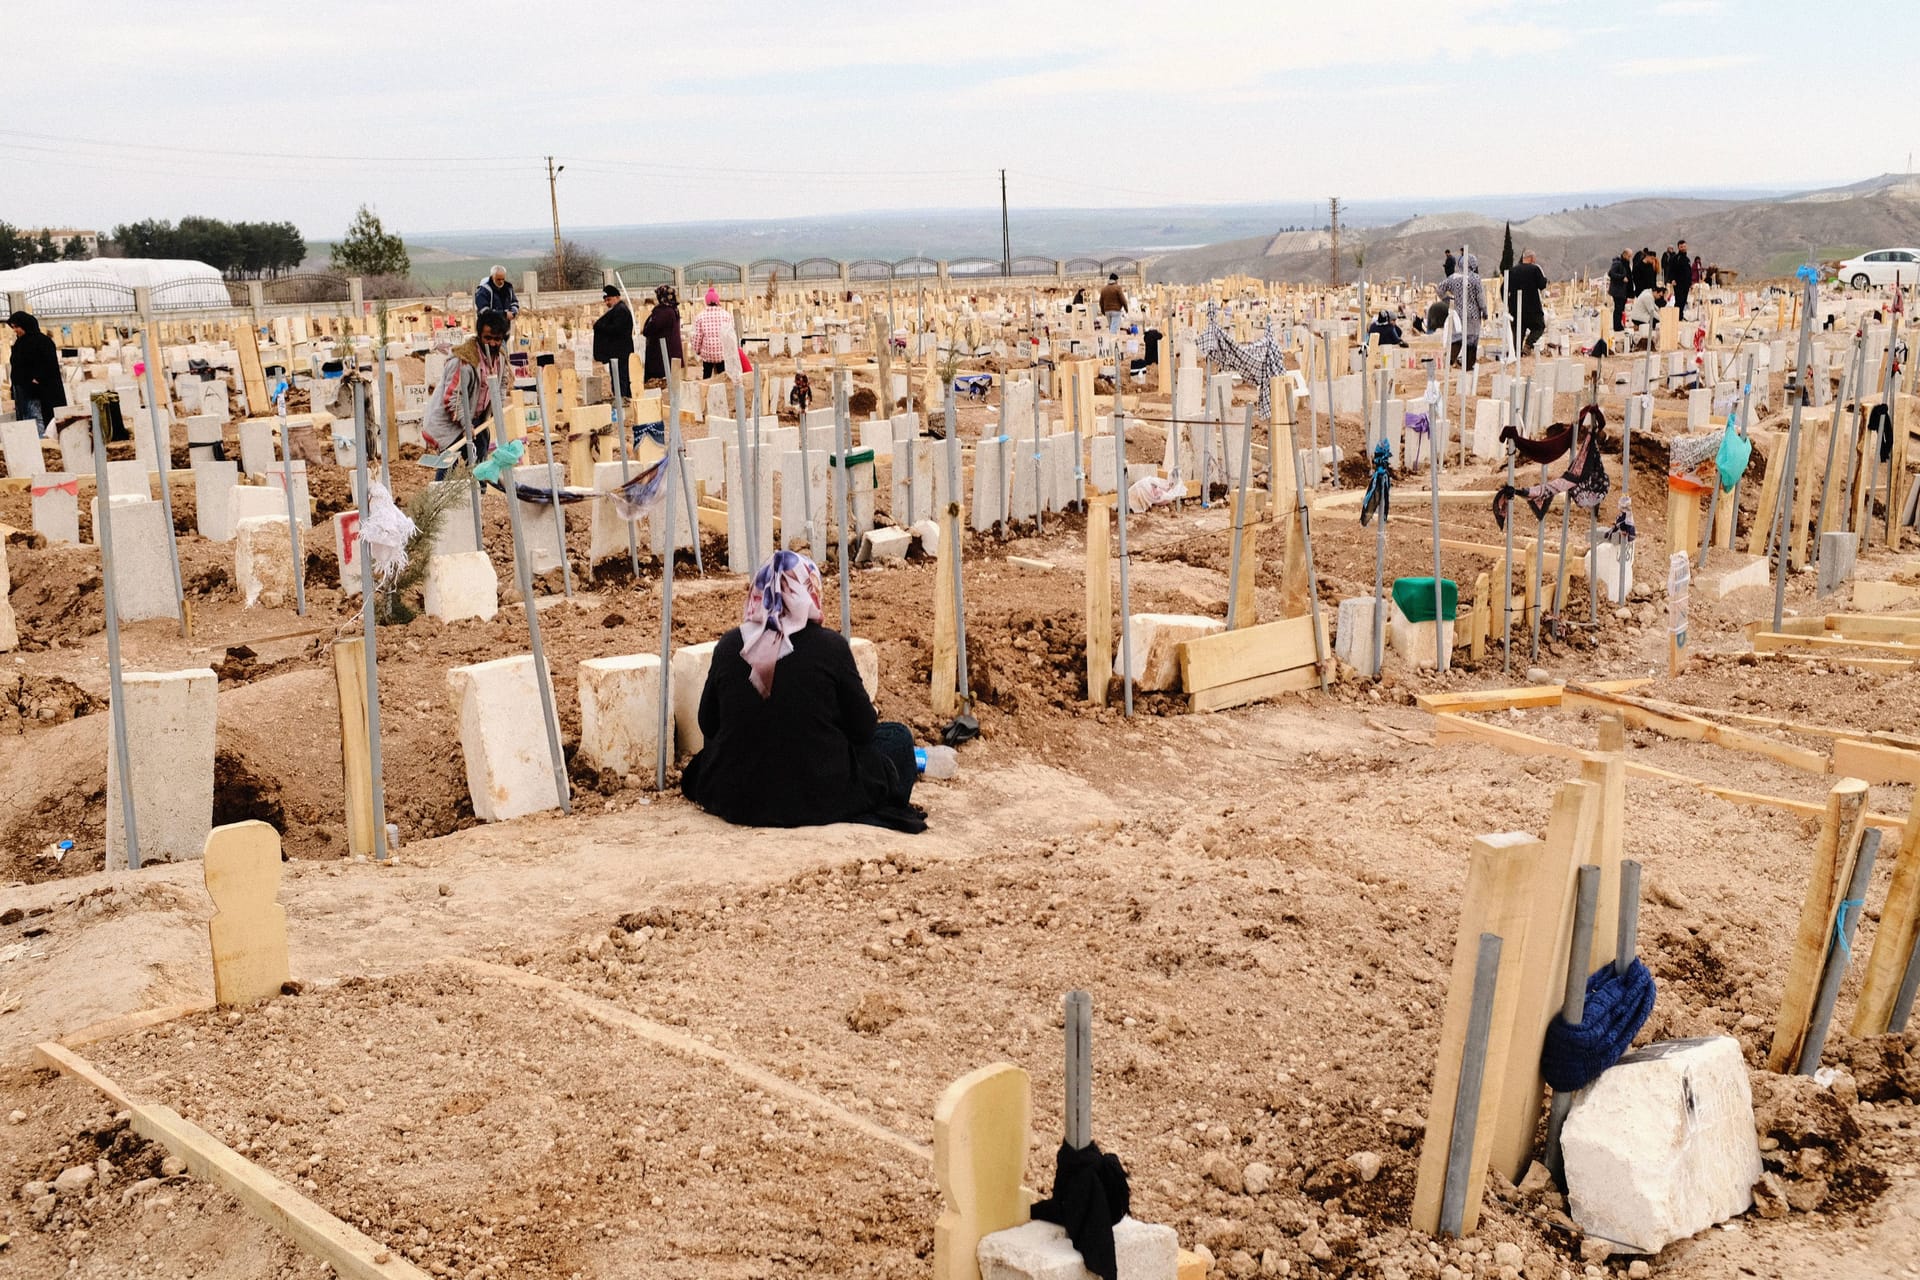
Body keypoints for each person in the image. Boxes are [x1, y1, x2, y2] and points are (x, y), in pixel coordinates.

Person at [681, 551, 925, 832]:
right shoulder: (830, 647)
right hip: (820, 795)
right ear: (810, 591)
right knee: (897, 738)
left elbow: (708, 724)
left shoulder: (730, 645)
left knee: (716, 755)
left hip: (738, 797)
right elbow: (864, 730)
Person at [422, 308, 507, 478]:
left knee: (479, 455)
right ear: (479, 336)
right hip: (451, 420)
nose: (492, 344)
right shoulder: (463, 362)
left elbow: (502, 383)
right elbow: (452, 399)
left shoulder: (501, 358)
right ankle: (442, 498)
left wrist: (496, 408)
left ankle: (478, 491)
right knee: (449, 461)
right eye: (487, 338)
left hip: (478, 417)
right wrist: (466, 425)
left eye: (497, 339)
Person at [7, 311, 65, 434]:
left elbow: (49, 364)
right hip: (23, 390)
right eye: (13, 327)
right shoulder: (19, 343)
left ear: (26, 325)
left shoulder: (43, 341)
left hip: (38, 391)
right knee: (27, 421)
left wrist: (37, 378)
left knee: (38, 420)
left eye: (17, 327)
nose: (15, 330)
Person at [1437, 253, 1487, 370]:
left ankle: (1449, 362)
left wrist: (1448, 300)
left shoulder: (1453, 277)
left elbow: (1439, 289)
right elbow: (1481, 297)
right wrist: (1484, 311)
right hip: (1473, 315)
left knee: (1457, 338)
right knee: (1472, 340)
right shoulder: (1475, 278)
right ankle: (1469, 366)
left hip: (1458, 314)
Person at [592, 284, 635, 401]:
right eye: (605, 300)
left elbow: (616, 330)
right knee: (619, 377)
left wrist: (601, 326)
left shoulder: (621, 310)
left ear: (617, 297)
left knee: (621, 378)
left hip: (621, 352)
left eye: (609, 299)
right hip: (617, 352)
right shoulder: (617, 310)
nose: (607, 303)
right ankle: (621, 399)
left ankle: (622, 400)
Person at [1505, 251, 1549, 354]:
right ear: (1532, 258)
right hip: (1532, 308)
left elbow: (1504, 288)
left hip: (1515, 309)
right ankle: (1528, 345)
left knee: (1518, 332)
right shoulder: (1535, 269)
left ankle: (1516, 353)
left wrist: (1508, 303)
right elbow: (1542, 285)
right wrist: (1544, 279)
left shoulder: (1512, 270)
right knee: (1539, 327)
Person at [640, 284, 683, 385]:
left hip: (661, 355)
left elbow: (650, 329)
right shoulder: (673, 308)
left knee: (660, 383)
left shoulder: (664, 312)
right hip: (671, 351)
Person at [691, 287, 737, 379]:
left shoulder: (700, 317)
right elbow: (730, 335)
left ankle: (705, 388)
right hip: (722, 353)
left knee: (707, 374)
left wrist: (697, 351)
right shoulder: (726, 315)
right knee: (722, 375)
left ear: (706, 302)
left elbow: (697, 336)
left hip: (707, 353)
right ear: (717, 301)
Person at [1627, 284, 1668, 350]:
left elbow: (1654, 307)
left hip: (1640, 315)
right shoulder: (1648, 297)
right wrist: (1662, 319)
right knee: (1656, 322)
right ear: (1656, 292)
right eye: (1659, 295)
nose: (1659, 297)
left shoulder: (1648, 293)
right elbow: (1652, 312)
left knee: (1656, 319)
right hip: (1638, 317)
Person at [1606, 250, 1634, 332]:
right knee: (1618, 308)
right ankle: (1617, 326)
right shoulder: (1617, 263)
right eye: (1629, 256)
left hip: (1623, 291)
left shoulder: (1625, 263)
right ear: (1624, 255)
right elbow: (1611, 273)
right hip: (1618, 290)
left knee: (1621, 308)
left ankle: (1619, 324)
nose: (1630, 258)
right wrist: (1622, 277)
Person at [1670, 239, 1693, 316]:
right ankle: (1676, 316)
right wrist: (1672, 279)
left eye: (1684, 246)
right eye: (1681, 247)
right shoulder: (1676, 258)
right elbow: (1671, 269)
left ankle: (1680, 315)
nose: (1683, 248)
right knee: (1678, 300)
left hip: (1686, 284)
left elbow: (1689, 272)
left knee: (1684, 300)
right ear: (1678, 247)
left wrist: (1690, 283)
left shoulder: (1687, 259)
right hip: (1678, 283)